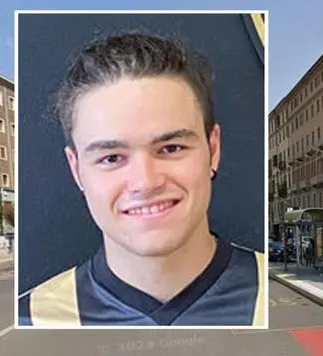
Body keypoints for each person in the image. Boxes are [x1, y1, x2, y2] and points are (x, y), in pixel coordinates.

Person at [18, 32, 265, 327]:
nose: (146, 182)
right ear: (77, 170)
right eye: (111, 158)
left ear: (213, 150)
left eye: (171, 148)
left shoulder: (275, 296)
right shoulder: (31, 320)